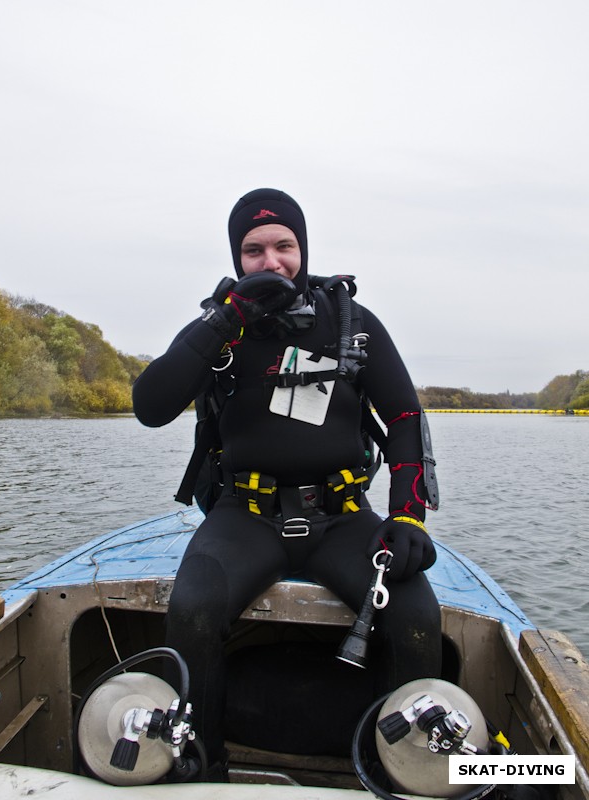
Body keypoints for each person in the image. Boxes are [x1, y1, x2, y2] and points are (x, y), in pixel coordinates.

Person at [133, 188, 441, 777]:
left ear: (303, 248)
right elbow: (150, 405)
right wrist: (229, 319)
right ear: (236, 256)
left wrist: (406, 515)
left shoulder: (352, 323)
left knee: (415, 617)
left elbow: (404, 418)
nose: (270, 261)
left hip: (344, 517)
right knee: (192, 611)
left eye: (284, 246)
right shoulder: (218, 327)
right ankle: (202, 766)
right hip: (244, 515)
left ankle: (399, 772)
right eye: (253, 250)